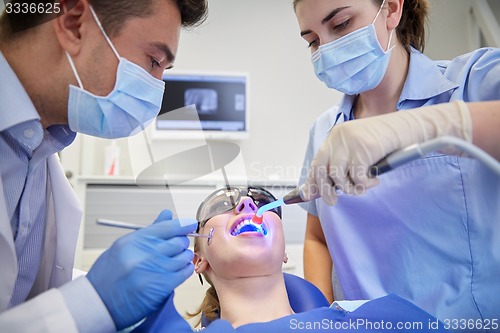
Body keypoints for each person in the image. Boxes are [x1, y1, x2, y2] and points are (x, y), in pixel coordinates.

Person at [0, 0, 207, 332]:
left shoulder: (39, 147)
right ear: (74, 24)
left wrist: (99, 293)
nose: (156, 89)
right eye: (153, 61)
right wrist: (95, 302)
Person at [293, 0, 500, 324]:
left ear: (391, 9)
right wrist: (319, 320)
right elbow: (316, 238)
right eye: (313, 41)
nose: (327, 49)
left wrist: (428, 125)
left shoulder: (473, 81)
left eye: (341, 24)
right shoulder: (324, 133)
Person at [131, 186, 449, 332]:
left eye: (262, 203)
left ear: (284, 252)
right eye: (221, 206)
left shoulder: (376, 317)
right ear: (198, 260)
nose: (246, 206)